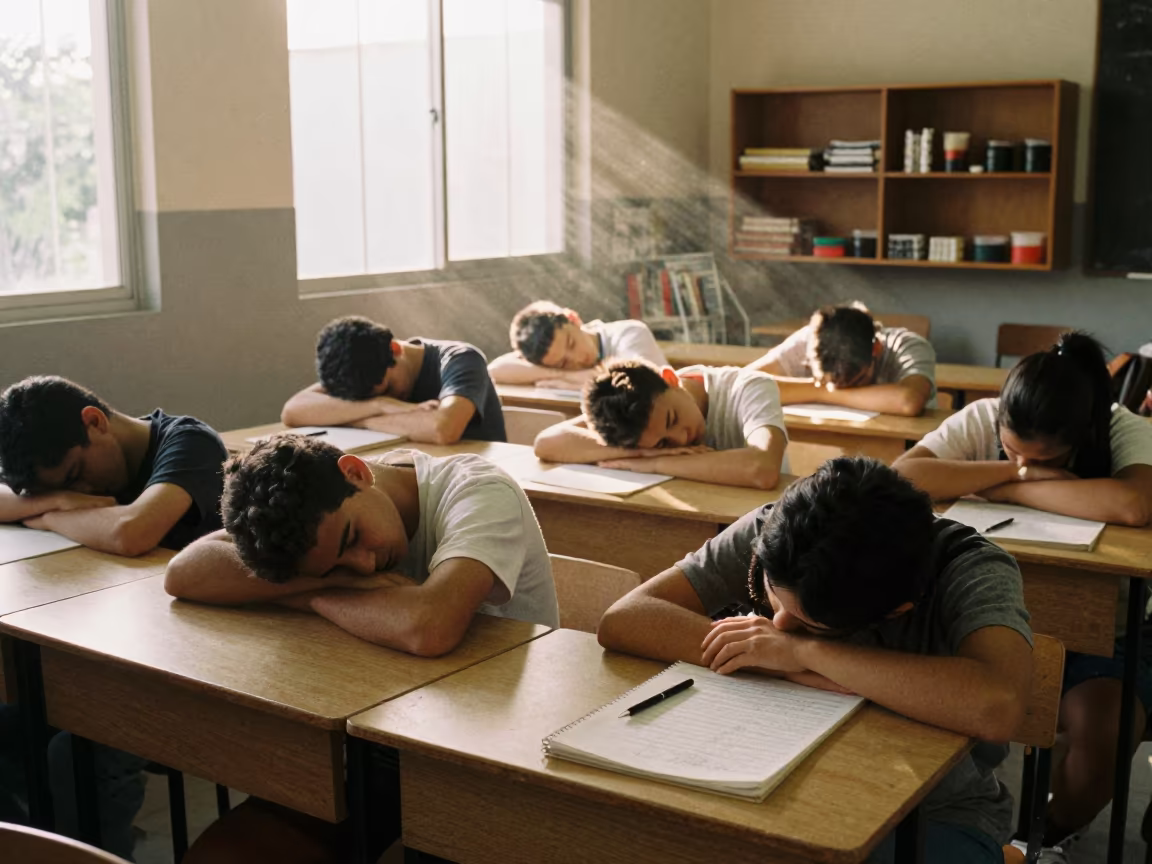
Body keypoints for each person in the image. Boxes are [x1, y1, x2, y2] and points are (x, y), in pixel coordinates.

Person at [598, 457, 1033, 863]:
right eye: (772, 595)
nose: (780, 625)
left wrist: (808, 653)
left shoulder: (969, 568)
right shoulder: (787, 533)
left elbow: (998, 705)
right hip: (771, 771)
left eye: (810, 624)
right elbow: (626, 618)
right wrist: (786, 662)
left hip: (933, 809)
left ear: (898, 609)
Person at [165, 434, 558, 863]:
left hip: (495, 760)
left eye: (352, 539)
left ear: (356, 472)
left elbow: (428, 627)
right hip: (381, 745)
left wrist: (304, 593)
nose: (366, 565)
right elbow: (183, 572)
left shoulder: (477, 490)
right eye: (333, 567)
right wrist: (326, 589)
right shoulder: (319, 518)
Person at [893, 332, 1152, 861]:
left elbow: (1133, 504)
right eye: (1010, 448)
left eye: (1045, 459)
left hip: (1106, 635)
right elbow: (905, 477)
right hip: (979, 618)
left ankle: (1045, 834)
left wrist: (1005, 486)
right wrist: (1018, 473)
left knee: (1106, 731)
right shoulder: (982, 416)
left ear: (1081, 436)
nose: (1022, 459)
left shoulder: (1123, 426)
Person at [0, 374, 227, 861]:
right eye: (59, 488)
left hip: (192, 661)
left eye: (76, 474)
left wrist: (48, 513)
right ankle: (37, 848)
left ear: (95, 421)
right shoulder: (57, 467)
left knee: (76, 758)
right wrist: (58, 501)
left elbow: (132, 531)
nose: (82, 489)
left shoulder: (188, 442)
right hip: (102, 648)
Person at [533, 359, 787, 490]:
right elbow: (547, 442)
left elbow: (761, 468)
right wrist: (643, 450)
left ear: (670, 379)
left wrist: (655, 462)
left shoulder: (749, 386)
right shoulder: (628, 421)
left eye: (672, 419)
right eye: (663, 442)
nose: (681, 438)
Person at [281, 316, 506, 443]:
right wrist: (379, 405)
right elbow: (292, 410)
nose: (387, 397)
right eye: (367, 400)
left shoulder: (459, 358)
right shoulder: (360, 373)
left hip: (475, 479)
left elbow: (443, 429)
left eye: (387, 389)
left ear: (395, 349)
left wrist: (356, 420)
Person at [747, 302, 936, 416]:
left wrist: (822, 392)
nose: (837, 389)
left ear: (876, 348)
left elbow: (909, 401)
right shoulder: (811, 339)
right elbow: (742, 383)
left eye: (857, 382)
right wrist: (820, 389)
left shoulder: (907, 346)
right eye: (824, 381)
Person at [487, 301, 667, 388]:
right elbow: (494, 370)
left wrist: (571, 380)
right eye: (563, 363)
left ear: (573, 318)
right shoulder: (550, 359)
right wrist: (558, 373)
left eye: (571, 344)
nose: (578, 359)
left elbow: (638, 382)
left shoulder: (630, 332)